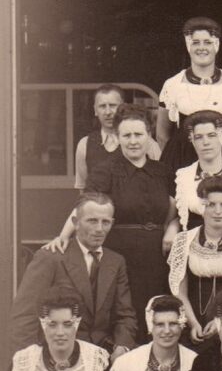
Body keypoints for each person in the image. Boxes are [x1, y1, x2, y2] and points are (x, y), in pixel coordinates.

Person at [46, 106, 175, 343]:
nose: (133, 141)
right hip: (121, 254)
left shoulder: (162, 171)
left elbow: (175, 208)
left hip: (158, 255)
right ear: (117, 137)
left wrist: (172, 228)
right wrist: (63, 235)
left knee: (155, 311)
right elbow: (85, 205)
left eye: (139, 134)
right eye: (127, 135)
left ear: (149, 136)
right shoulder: (106, 170)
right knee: (124, 312)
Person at [16, 193, 137, 354]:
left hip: (103, 354)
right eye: (92, 221)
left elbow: (125, 315)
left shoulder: (116, 261)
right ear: (75, 222)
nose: (99, 229)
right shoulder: (50, 258)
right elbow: (25, 316)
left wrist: (122, 347)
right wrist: (29, 360)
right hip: (57, 354)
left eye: (105, 222)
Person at [165, 176, 222, 345]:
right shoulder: (183, 240)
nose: (218, 211)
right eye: (211, 204)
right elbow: (179, 291)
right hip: (192, 318)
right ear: (202, 206)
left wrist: (220, 321)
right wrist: (193, 324)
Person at [157, 17, 222, 171]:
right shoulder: (172, 85)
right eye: (196, 42)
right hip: (181, 160)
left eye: (207, 42)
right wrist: (173, 159)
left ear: (216, 45)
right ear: (188, 45)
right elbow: (161, 134)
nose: (202, 48)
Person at [73, 84, 161, 189]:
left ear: (122, 107)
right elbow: (84, 190)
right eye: (102, 106)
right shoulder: (85, 145)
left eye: (112, 105)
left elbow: (158, 185)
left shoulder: (145, 143)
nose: (108, 112)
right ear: (95, 110)